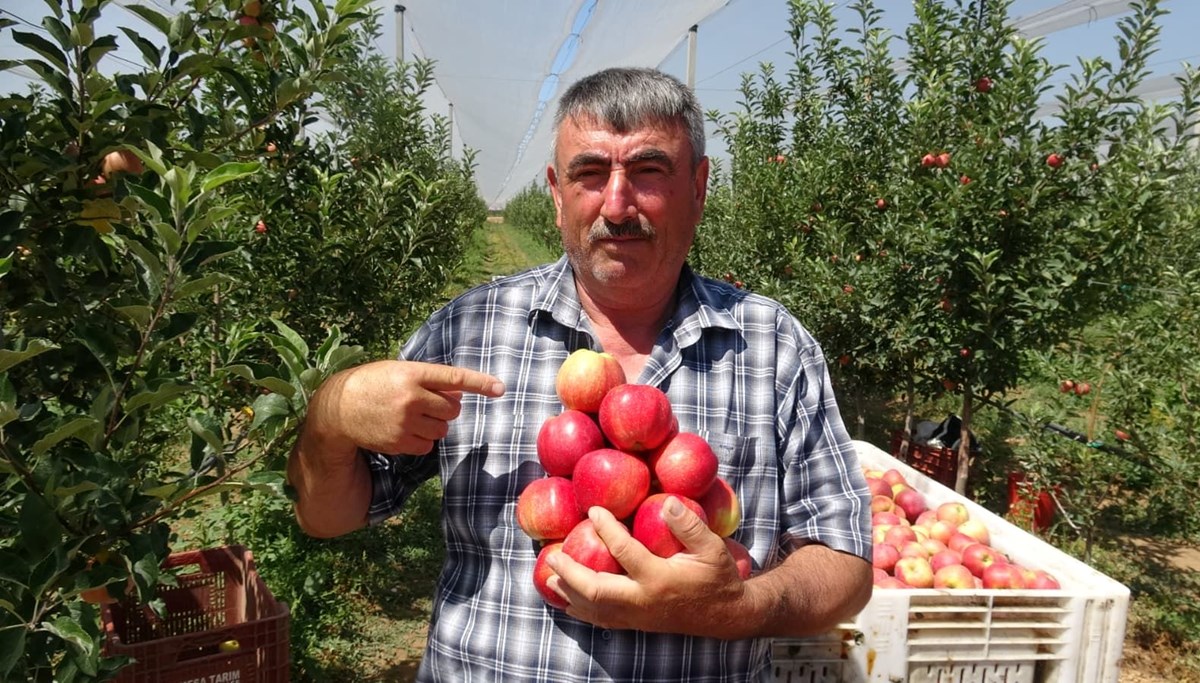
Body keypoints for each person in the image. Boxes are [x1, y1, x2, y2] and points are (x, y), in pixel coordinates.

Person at [287, 66, 872, 682]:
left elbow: (845, 563)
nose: (616, 205)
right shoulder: (468, 332)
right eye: (589, 173)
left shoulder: (773, 346)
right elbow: (326, 516)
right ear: (555, 192)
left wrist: (734, 607)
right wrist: (330, 417)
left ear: (699, 187)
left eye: (648, 171)